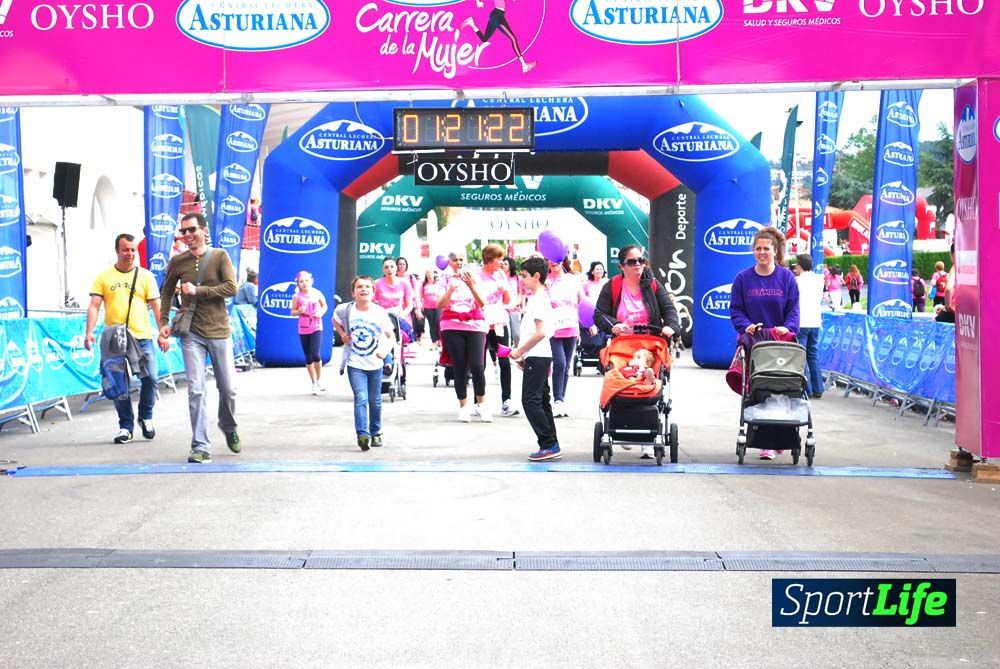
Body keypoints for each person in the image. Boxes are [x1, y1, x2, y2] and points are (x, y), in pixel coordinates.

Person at [158, 212, 240, 464]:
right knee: (196, 389)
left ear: (204, 230)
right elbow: (166, 292)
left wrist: (198, 290)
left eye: (192, 229)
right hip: (191, 332)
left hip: (219, 331)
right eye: (183, 231)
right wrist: (162, 322)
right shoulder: (177, 261)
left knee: (228, 389)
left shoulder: (219, 256)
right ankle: (200, 445)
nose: (188, 235)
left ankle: (228, 425)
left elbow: (231, 287)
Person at [593, 244, 679, 458]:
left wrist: (671, 327)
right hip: (623, 344)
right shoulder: (612, 286)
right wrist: (613, 324)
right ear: (622, 266)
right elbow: (599, 313)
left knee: (648, 375)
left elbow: (669, 310)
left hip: (650, 344)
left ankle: (649, 438)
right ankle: (619, 422)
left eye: (641, 260)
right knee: (620, 372)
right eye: (632, 262)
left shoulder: (652, 285)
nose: (638, 264)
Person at [729, 227, 800, 461]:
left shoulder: (786, 277)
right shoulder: (742, 278)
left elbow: (793, 309)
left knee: (783, 386)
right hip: (754, 343)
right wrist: (746, 325)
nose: (761, 252)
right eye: (758, 249)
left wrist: (788, 328)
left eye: (766, 249)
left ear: (775, 250)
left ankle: (784, 435)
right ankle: (764, 442)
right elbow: (736, 310)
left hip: (781, 342)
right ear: (753, 251)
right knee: (758, 388)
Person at [84, 233, 163, 445]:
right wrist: (89, 332)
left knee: (152, 377)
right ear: (117, 251)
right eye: (126, 249)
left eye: (133, 250)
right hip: (114, 338)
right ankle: (125, 427)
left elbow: (157, 306)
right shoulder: (104, 277)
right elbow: (94, 305)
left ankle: (145, 416)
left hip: (142, 337)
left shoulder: (146, 276)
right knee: (118, 384)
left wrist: (163, 329)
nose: (130, 253)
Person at [333, 276, 396, 451]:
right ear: (353, 292)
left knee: (375, 401)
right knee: (360, 398)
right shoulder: (346, 310)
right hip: (355, 363)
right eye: (360, 287)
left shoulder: (379, 312)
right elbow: (335, 319)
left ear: (373, 292)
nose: (364, 289)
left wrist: (385, 352)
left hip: (375, 364)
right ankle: (363, 434)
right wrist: (342, 335)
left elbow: (392, 337)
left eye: (368, 287)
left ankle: (376, 431)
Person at [509, 257, 560, 461]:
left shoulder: (539, 299)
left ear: (536, 276)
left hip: (538, 354)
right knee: (541, 400)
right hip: (537, 355)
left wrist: (519, 351)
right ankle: (551, 442)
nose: (521, 279)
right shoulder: (538, 298)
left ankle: (548, 443)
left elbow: (540, 333)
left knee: (530, 401)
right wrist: (524, 354)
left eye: (524, 276)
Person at [437, 251, 491, 423]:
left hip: (475, 323)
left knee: (477, 365)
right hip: (452, 324)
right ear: (449, 262)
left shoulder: (474, 276)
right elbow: (440, 304)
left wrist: (471, 286)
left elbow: (482, 303)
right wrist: (451, 288)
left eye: (461, 259)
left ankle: (481, 404)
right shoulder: (444, 279)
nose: (459, 262)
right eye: (455, 260)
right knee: (459, 366)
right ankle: (463, 406)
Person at [479, 244, 518, 417]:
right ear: (489, 259)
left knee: (504, 361)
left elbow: (506, 300)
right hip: (481, 322)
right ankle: (478, 401)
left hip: (500, 321)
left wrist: (505, 289)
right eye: (499, 259)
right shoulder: (477, 276)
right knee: (479, 363)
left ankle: (506, 401)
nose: (502, 263)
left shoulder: (501, 274)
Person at [545, 256, 581, 418]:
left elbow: (581, 302)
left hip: (570, 326)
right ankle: (557, 400)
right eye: (551, 260)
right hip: (553, 328)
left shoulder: (572, 280)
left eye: (557, 260)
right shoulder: (544, 280)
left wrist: (589, 324)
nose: (554, 263)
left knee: (567, 365)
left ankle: (561, 399)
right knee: (559, 363)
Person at [461, 0, 536, 73]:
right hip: (497, 16)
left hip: (495, 15)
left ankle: (471, 23)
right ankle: (524, 65)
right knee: (513, 39)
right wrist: (478, 2)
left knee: (484, 39)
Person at [290, 270, 328, 395]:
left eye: (307, 280)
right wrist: (299, 311)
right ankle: (313, 382)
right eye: (301, 281)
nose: (304, 283)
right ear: (298, 284)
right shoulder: (296, 297)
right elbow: (292, 312)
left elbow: (324, 306)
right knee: (308, 355)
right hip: (303, 327)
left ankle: (319, 379)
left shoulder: (317, 293)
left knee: (315, 353)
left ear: (311, 281)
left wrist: (320, 313)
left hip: (316, 326)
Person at [793, 254, 824, 399]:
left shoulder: (796, 281)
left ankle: (807, 389)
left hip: (802, 321)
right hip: (815, 321)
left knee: (801, 356)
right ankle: (818, 388)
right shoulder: (820, 279)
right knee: (813, 355)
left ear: (799, 265)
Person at [374, 257, 415, 325]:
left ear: (396, 268)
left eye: (392, 266)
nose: (389, 269)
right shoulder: (377, 283)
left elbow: (410, 305)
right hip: (383, 319)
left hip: (400, 319)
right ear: (383, 270)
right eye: (386, 267)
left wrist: (402, 314)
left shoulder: (404, 283)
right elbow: (370, 302)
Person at [396, 256, 423, 334]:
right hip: (398, 306)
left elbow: (416, 294)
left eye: (403, 264)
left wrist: (418, 308)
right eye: (399, 264)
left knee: (409, 327)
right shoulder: (393, 278)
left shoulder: (411, 278)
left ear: (406, 265)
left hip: (410, 306)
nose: (401, 266)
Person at [501, 256, 523, 346]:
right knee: (506, 334)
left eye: (506, 264)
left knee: (517, 334)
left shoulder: (517, 278)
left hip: (514, 308)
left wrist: (518, 302)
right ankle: (507, 353)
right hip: (503, 308)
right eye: (502, 264)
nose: (503, 265)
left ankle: (518, 350)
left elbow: (521, 293)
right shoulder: (499, 277)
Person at [419, 269, 442, 347]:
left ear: (433, 274)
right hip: (427, 307)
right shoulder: (423, 284)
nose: (429, 274)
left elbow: (441, 294)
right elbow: (420, 296)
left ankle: (439, 340)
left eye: (430, 273)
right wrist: (421, 305)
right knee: (431, 324)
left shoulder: (438, 283)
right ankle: (434, 341)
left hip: (438, 306)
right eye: (427, 273)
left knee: (438, 323)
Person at [935, 244, 957, 323]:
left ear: (952, 254)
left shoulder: (956, 267)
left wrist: (947, 308)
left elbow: (948, 289)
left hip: (954, 312)